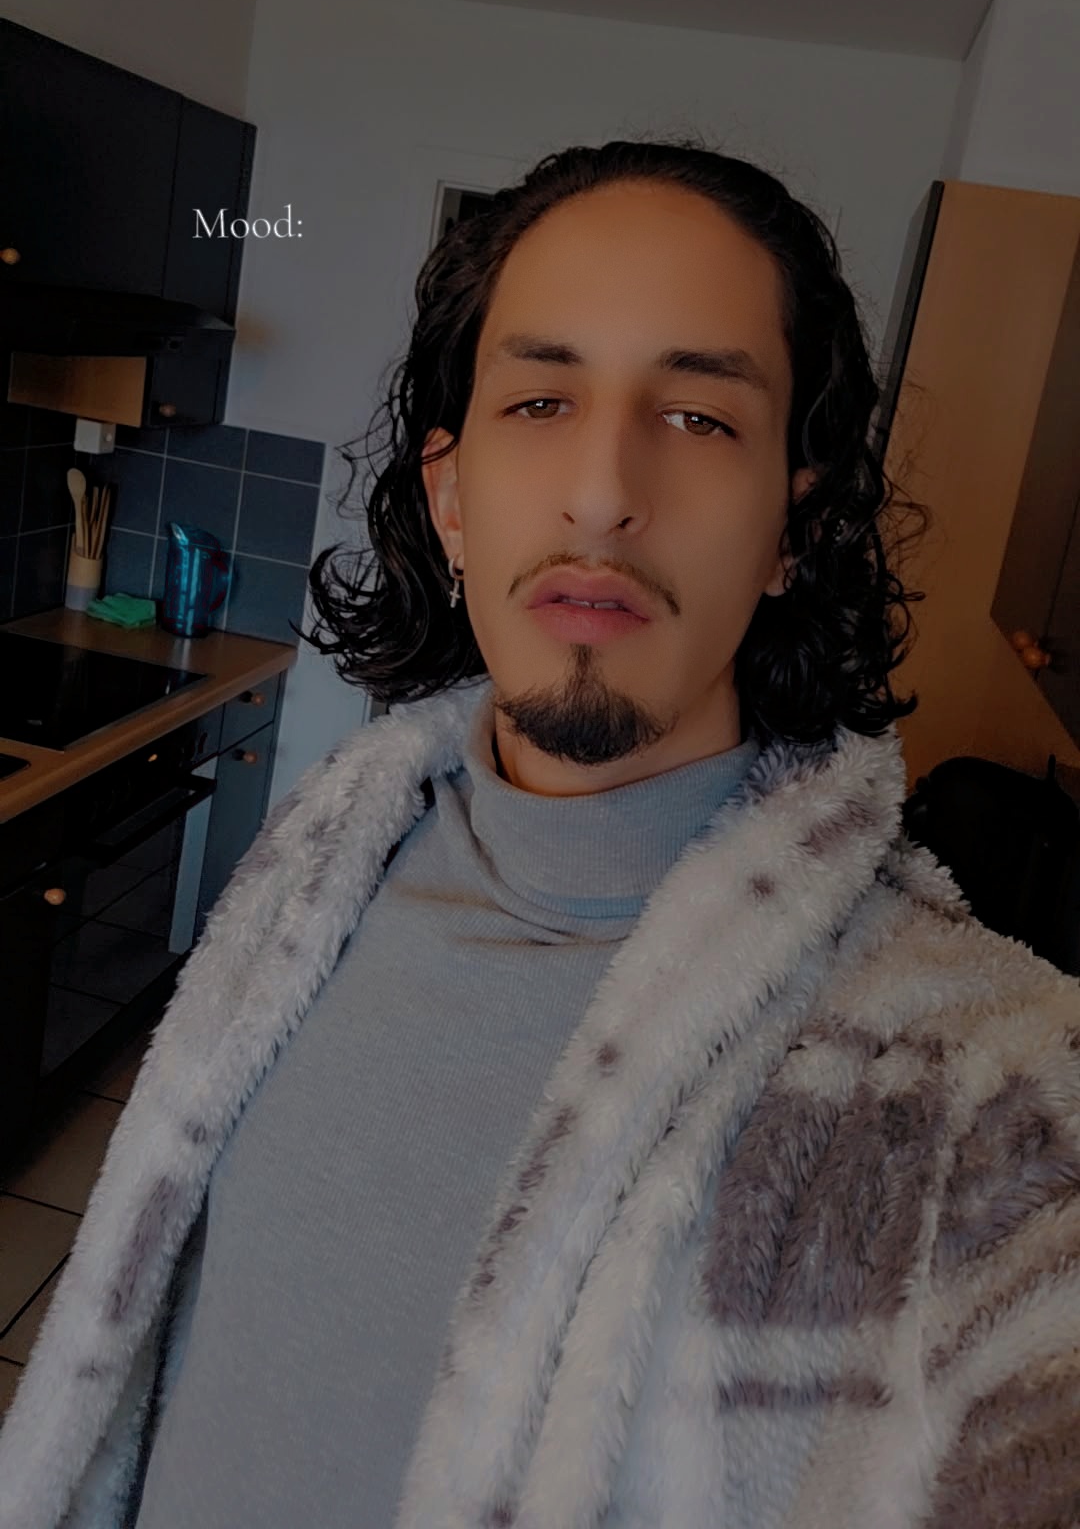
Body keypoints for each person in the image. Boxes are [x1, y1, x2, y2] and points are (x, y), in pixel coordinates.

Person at [2, 140, 1078, 1529]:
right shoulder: (317, 883)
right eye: (540, 399)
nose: (602, 490)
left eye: (698, 417)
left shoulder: (980, 1091)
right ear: (450, 496)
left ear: (791, 531)